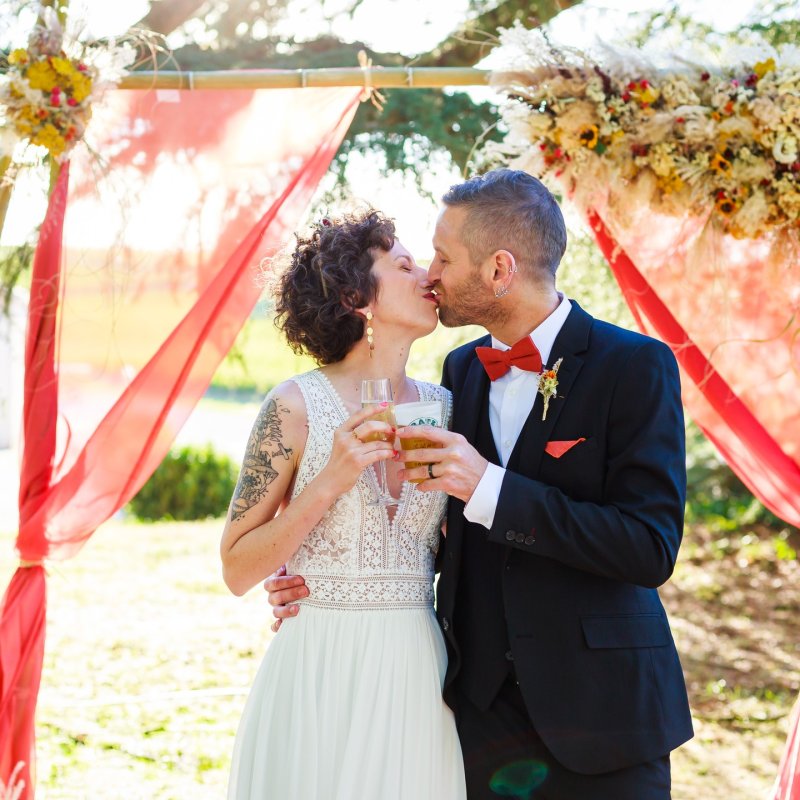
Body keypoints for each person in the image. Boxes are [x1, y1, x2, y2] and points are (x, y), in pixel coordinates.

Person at [267, 169, 694, 799]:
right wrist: (321, 576)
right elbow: (430, 524)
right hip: (476, 721)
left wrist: (491, 487)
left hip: (603, 719)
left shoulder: (634, 366)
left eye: (442, 257)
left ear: (499, 270)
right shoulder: (459, 372)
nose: (431, 274)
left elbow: (649, 547)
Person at [221, 210, 466, 799]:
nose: (427, 275)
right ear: (359, 299)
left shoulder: (449, 407)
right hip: (318, 670)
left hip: (416, 672)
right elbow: (236, 568)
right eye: (404, 266)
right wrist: (329, 480)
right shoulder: (294, 407)